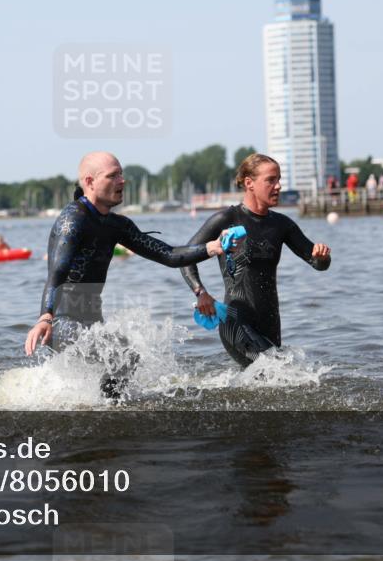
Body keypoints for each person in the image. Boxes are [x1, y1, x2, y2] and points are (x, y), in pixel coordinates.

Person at [24, 151, 232, 397]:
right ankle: (109, 410)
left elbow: (167, 254)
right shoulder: (73, 220)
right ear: (89, 182)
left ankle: (105, 411)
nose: (122, 181)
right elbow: (56, 273)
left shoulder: (116, 225)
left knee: (125, 359)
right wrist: (45, 317)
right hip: (60, 323)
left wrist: (211, 247)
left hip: (92, 322)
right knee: (123, 356)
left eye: (122, 174)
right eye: (113, 176)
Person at [181, 154, 331, 367]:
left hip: (270, 323)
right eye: (271, 180)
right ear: (249, 183)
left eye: (279, 179)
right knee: (278, 371)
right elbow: (186, 256)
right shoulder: (226, 219)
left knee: (270, 385)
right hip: (234, 320)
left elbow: (318, 264)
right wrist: (200, 292)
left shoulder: (282, 225)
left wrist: (322, 257)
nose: (278, 186)